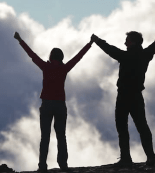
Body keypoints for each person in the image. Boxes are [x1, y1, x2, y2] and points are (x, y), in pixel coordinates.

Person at [91, 18, 155, 167]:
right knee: (142, 126)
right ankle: (150, 156)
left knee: (122, 126)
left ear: (132, 42)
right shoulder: (145, 54)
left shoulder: (125, 56)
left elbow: (110, 49)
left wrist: (97, 40)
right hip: (137, 97)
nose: (125, 43)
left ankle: (126, 158)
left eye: (127, 41)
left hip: (123, 96)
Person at [14, 32, 95, 172]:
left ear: (51, 57)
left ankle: (42, 166)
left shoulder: (46, 67)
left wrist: (20, 40)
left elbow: (31, 54)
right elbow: (78, 57)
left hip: (46, 105)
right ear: (61, 58)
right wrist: (89, 44)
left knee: (45, 136)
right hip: (60, 105)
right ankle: (63, 164)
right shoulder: (64, 68)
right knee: (61, 135)